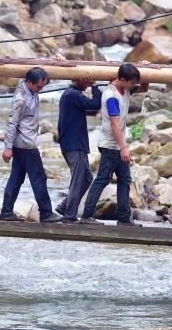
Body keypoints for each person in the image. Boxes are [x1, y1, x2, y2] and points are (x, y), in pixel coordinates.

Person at [80, 63, 141, 226]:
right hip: (110, 145)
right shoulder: (111, 96)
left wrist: (144, 69)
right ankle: (86, 216)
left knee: (125, 179)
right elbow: (115, 124)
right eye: (132, 82)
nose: (134, 85)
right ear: (122, 79)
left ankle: (123, 217)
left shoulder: (125, 89)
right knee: (102, 180)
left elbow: (145, 87)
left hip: (117, 144)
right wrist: (124, 148)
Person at [0, 67, 59, 223]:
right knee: (39, 179)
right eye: (39, 86)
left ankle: (6, 211)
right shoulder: (21, 98)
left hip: (23, 144)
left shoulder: (31, 91)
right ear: (29, 82)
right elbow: (12, 123)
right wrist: (8, 147)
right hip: (26, 145)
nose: (41, 89)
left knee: (16, 179)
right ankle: (45, 213)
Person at [56, 76, 102, 224]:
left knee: (87, 178)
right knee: (78, 180)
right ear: (79, 80)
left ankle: (64, 207)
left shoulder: (71, 94)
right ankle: (69, 216)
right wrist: (95, 86)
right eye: (86, 81)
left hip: (75, 144)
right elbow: (95, 104)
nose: (88, 85)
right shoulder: (73, 95)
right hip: (74, 145)